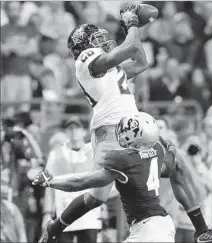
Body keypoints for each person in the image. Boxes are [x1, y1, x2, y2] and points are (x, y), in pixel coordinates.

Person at [35, 4, 148, 243]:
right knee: (102, 182)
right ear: (83, 47)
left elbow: (140, 62)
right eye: (95, 38)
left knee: (97, 197)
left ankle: (56, 226)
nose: (102, 40)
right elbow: (129, 49)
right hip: (111, 129)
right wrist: (133, 25)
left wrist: (134, 28)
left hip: (128, 126)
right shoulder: (85, 61)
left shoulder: (107, 67)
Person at [34, 112, 212, 243]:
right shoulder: (158, 150)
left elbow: (82, 182)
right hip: (161, 226)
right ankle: (202, 231)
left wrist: (52, 181)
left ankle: (55, 228)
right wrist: (172, 148)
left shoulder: (123, 159)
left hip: (149, 229)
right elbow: (169, 167)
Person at [42, 116, 101, 243]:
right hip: (64, 214)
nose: (74, 131)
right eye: (70, 128)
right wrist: (47, 212)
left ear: (84, 131)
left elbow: (101, 182)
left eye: (77, 127)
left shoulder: (93, 152)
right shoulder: (55, 154)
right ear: (66, 132)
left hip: (89, 216)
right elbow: (48, 184)